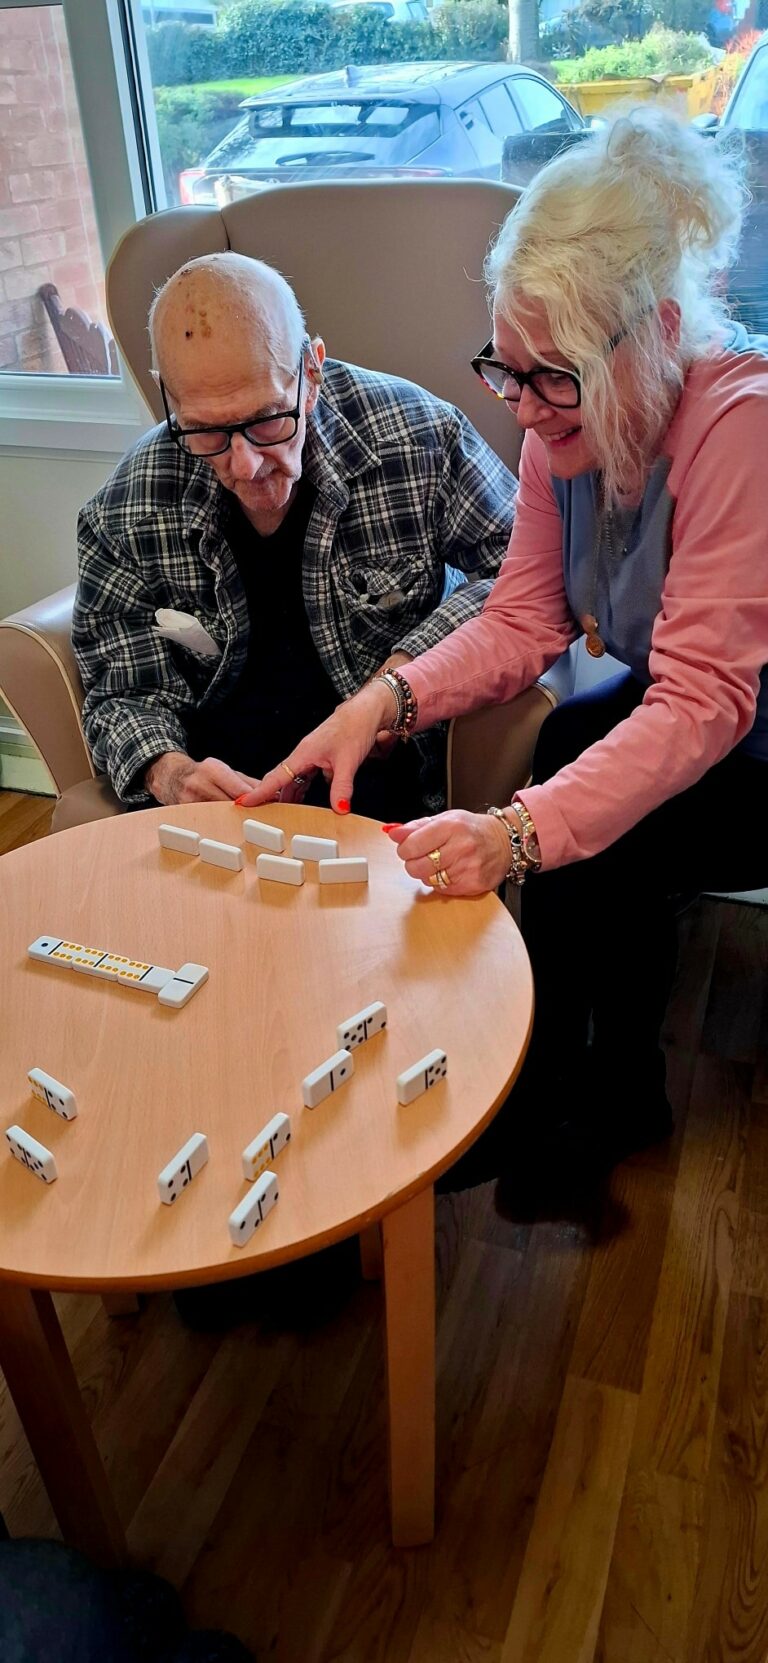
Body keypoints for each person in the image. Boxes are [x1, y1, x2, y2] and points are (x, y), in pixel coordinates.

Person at [239, 109, 768, 1200]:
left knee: (599, 816)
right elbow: (523, 621)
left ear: (660, 330)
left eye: (552, 376)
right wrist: (382, 703)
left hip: (756, 742)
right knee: (571, 742)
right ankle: (547, 1075)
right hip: (703, 719)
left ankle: (613, 1092)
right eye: (506, 370)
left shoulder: (741, 429)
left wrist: (515, 834)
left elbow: (705, 704)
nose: (523, 407)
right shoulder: (561, 430)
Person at [73, 253, 516, 822]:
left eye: (267, 421)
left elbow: (523, 573)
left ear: (311, 373)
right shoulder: (127, 507)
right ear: (170, 398)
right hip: (221, 803)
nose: (246, 465)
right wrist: (172, 772)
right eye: (206, 431)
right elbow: (120, 690)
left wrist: (398, 685)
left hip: (383, 790)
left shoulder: (420, 439)